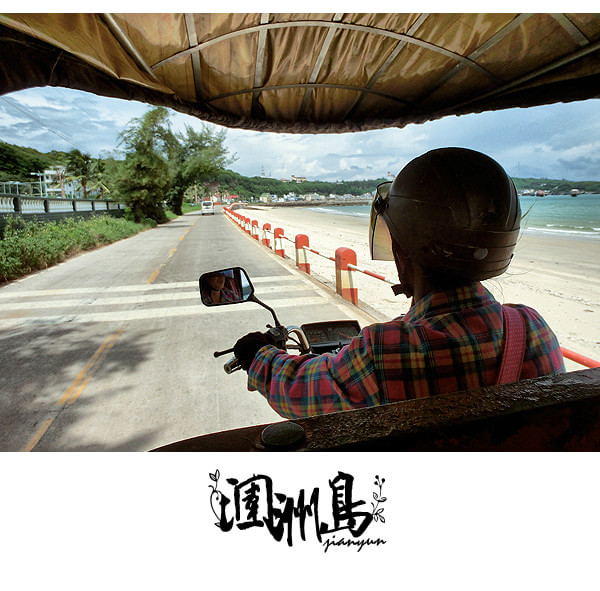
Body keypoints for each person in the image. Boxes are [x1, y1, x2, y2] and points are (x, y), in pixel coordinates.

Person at [233, 148, 565, 419]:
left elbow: (301, 392)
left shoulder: (384, 350)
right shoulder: (530, 327)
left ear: (403, 249)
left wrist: (259, 355)